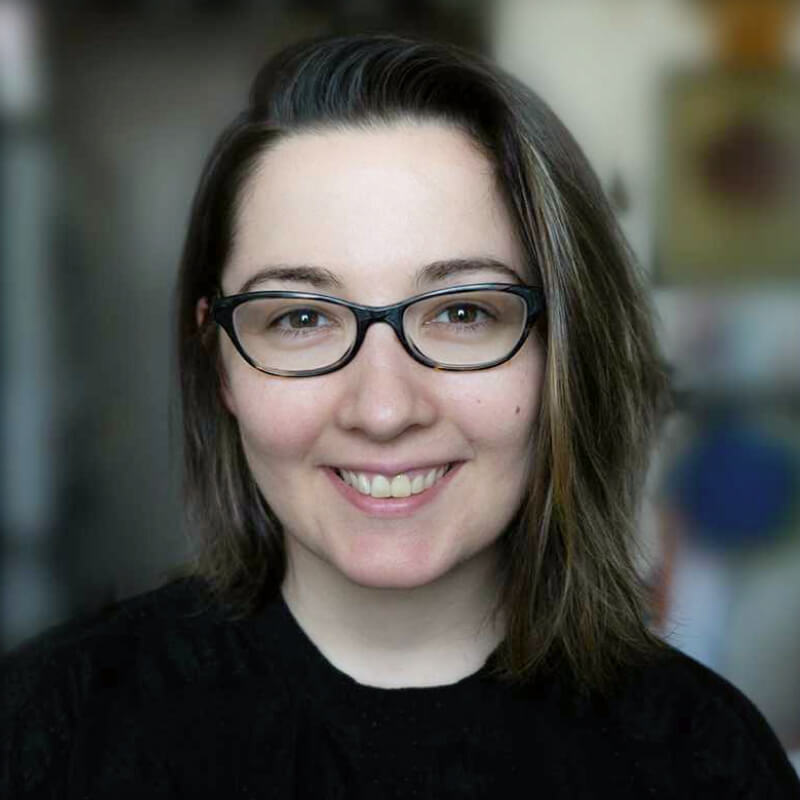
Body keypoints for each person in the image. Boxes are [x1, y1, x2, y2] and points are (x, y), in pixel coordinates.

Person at [2, 32, 799, 798]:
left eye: (461, 313)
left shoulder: (707, 763)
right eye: (301, 318)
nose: (384, 410)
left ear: (562, 350)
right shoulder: (44, 734)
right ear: (221, 366)